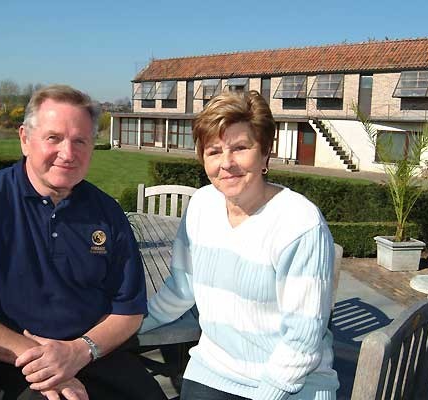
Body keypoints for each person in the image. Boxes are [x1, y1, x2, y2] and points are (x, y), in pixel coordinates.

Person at [0, 85, 167, 400]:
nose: (68, 153)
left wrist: (78, 351)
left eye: (80, 141)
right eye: (54, 138)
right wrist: (43, 362)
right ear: (25, 139)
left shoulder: (107, 212)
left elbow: (129, 311)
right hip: (9, 363)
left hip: (94, 356)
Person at [140, 90, 339, 400]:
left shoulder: (299, 222)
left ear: (265, 152)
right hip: (211, 372)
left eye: (240, 148)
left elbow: (302, 341)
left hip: (292, 386)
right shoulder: (202, 205)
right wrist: (126, 328)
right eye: (214, 151)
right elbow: (180, 290)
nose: (226, 163)